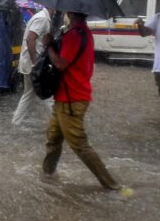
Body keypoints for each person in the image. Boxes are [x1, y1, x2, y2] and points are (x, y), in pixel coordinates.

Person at [42, 11, 120, 190]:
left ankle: (112, 185)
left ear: (70, 12)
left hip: (71, 99)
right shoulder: (81, 32)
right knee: (53, 138)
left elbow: (61, 64)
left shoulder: (74, 35)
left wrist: (49, 47)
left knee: (79, 144)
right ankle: (47, 175)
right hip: (66, 97)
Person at [11, 7, 54, 126]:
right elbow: (30, 38)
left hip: (29, 62)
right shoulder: (43, 18)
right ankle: (58, 126)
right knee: (46, 95)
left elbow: (37, 39)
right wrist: (35, 62)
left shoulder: (42, 17)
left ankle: (16, 122)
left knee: (29, 94)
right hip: (33, 64)